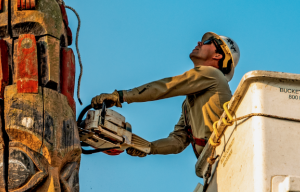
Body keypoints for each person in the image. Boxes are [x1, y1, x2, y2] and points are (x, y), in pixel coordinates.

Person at [91, 32, 240, 158]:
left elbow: (166, 87)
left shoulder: (212, 74)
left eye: (207, 42)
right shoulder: (190, 103)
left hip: (225, 153)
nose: (199, 42)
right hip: (215, 161)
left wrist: (121, 96)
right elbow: (178, 141)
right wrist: (149, 147)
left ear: (218, 55)